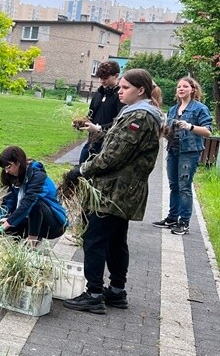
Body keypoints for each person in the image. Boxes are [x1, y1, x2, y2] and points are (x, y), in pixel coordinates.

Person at [61, 69, 162, 314]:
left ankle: (94, 294)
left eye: (125, 87)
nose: (119, 91)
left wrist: (80, 170)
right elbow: (117, 143)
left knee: (94, 239)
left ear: (141, 90)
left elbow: (112, 157)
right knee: (116, 240)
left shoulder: (140, 116)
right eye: (120, 87)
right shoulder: (136, 114)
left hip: (114, 192)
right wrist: (97, 131)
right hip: (120, 191)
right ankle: (116, 291)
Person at [153, 75, 213, 236]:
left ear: (193, 90)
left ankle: (184, 222)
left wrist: (190, 126)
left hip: (189, 152)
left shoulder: (199, 108)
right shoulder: (173, 109)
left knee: (185, 187)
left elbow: (207, 131)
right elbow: (168, 131)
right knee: (174, 186)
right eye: (179, 86)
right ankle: (172, 218)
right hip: (173, 150)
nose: (181, 89)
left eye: (185, 86)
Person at [0, 147, 67, 244]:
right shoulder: (14, 178)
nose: (7, 171)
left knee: (35, 203)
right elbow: (8, 203)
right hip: (30, 219)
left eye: (8, 167)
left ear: (18, 162)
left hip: (54, 224)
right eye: (4, 168)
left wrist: (9, 222)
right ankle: (17, 248)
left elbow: (29, 201)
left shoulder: (38, 176)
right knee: (4, 222)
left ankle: (32, 242)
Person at [77, 60, 124, 162]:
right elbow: (91, 114)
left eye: (106, 78)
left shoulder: (121, 96)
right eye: (100, 78)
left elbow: (121, 122)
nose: (102, 81)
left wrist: (98, 128)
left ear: (116, 76)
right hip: (92, 141)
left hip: (109, 144)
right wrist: (81, 123)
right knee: (81, 167)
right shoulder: (99, 93)